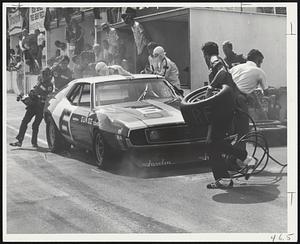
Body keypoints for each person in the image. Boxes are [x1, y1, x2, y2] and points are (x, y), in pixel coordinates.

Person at [201, 42, 256, 189]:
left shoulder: (214, 59)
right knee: (214, 143)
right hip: (226, 106)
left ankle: (229, 174)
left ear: (205, 54)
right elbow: (230, 78)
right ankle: (243, 160)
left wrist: (211, 87)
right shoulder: (223, 61)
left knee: (212, 143)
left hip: (221, 108)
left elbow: (223, 74)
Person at [9, 67, 54, 148]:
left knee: (35, 125)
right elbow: (34, 89)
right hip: (33, 105)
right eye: (43, 74)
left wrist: (38, 96)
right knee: (24, 121)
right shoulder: (40, 81)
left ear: (49, 75)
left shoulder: (50, 85)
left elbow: (47, 96)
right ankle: (19, 140)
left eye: (46, 74)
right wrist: (28, 94)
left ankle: (34, 142)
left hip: (40, 107)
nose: (44, 76)